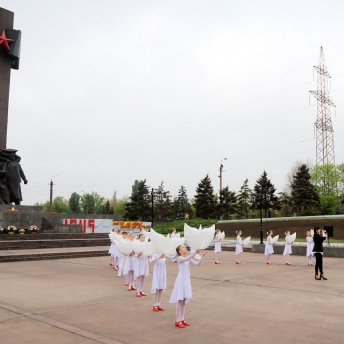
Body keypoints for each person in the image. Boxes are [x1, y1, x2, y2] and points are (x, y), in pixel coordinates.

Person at [169, 245, 208, 328]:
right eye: (183, 247)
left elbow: (198, 264)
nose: (185, 248)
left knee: (183, 301)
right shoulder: (180, 258)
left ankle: (182, 319)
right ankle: (177, 320)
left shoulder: (188, 258)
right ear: (179, 251)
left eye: (184, 247)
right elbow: (186, 259)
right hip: (181, 280)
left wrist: (202, 256)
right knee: (180, 301)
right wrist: (194, 253)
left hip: (186, 280)